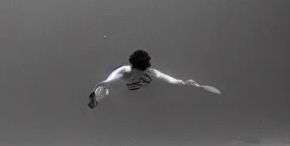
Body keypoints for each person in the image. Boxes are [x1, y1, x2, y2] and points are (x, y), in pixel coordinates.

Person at [88, 49, 221, 109]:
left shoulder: (150, 71)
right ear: (133, 67)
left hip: (136, 86)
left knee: (152, 84)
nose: (143, 71)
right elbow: (106, 82)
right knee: (105, 90)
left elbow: (169, 79)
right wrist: (94, 97)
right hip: (124, 83)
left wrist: (184, 83)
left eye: (144, 70)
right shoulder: (124, 72)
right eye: (140, 70)